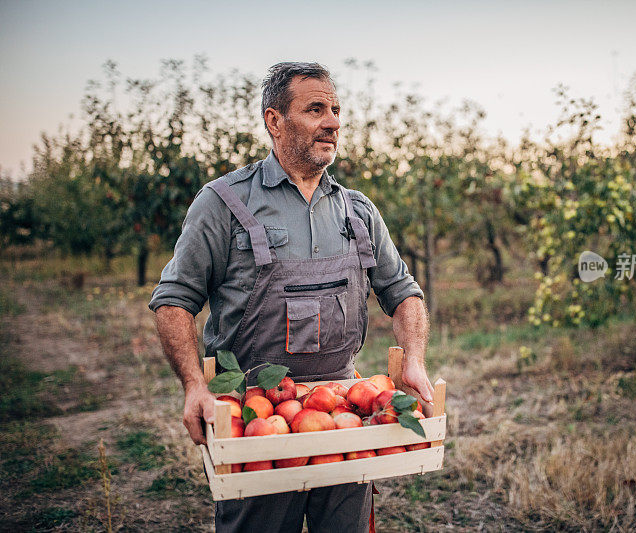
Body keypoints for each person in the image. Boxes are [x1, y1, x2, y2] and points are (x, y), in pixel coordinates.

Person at [149, 61, 433, 532]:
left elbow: (403, 291)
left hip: (345, 412)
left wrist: (416, 358)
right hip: (254, 417)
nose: (333, 122)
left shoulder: (358, 211)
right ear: (274, 121)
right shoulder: (223, 203)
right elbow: (174, 298)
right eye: (316, 109)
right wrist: (194, 386)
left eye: (336, 110)